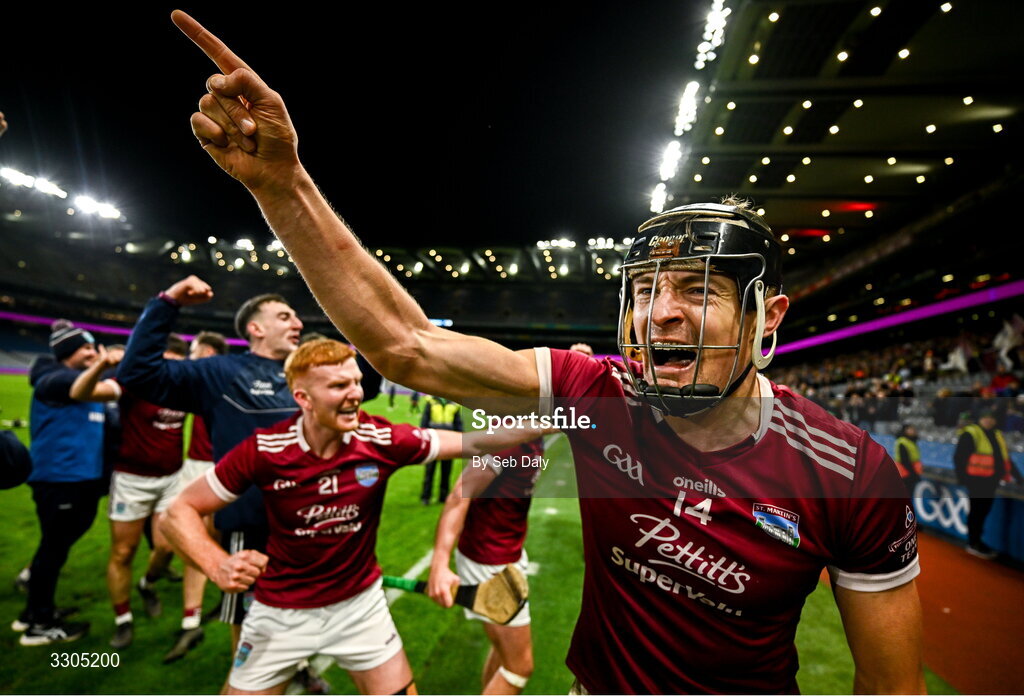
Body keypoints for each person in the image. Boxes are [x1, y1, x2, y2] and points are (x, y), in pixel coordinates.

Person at [170, 12, 925, 692]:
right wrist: (281, 184)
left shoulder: (849, 472)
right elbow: (407, 346)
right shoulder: (598, 392)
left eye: (696, 290)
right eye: (643, 290)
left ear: (768, 315)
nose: (659, 313)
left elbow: (891, 688)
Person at [161, 339, 543, 695]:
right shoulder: (266, 450)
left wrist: (562, 415)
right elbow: (178, 511)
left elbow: (476, 442)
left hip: (360, 609)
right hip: (280, 611)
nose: (356, 395)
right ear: (303, 398)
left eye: (357, 382)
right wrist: (217, 564)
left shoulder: (380, 440)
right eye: (339, 386)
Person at [117, 279, 302, 658]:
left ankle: (300, 665)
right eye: (285, 316)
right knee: (251, 619)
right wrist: (166, 303)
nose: (297, 323)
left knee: (306, 607)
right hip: (254, 524)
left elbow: (366, 382)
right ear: (256, 328)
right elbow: (137, 373)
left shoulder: (308, 373)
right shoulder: (221, 372)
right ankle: (245, 679)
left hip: (313, 517)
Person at [71, 336, 189, 648]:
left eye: (179, 365)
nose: (172, 371)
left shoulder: (185, 388)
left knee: (167, 548)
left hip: (171, 479)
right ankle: (123, 619)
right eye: (167, 363)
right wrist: (100, 365)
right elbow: (80, 392)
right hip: (132, 480)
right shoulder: (133, 384)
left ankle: (147, 584)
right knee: (124, 551)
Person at [427, 437, 545, 694]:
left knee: (507, 654)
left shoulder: (534, 432)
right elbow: (460, 493)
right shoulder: (509, 437)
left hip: (507, 552)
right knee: (519, 667)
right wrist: (439, 564)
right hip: (490, 560)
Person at [16, 320, 104, 645]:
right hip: (60, 478)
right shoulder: (54, 380)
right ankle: (40, 624)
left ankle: (36, 610)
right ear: (68, 353)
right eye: (86, 348)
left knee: (56, 547)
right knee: (53, 549)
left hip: (79, 478)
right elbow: (79, 383)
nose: (93, 354)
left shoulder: (80, 380)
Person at [163, 329, 228, 662]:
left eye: (194, 351)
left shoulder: (231, 376)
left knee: (226, 540)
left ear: (207, 352)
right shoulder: (197, 379)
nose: (190, 356)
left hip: (229, 466)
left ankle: (221, 606)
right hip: (199, 465)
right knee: (195, 541)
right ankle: (191, 620)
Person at [953, 411, 1020, 559]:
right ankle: (974, 542)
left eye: (991, 418)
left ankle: (977, 541)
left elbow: (1005, 458)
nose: (988, 421)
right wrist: (964, 479)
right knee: (977, 510)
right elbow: (959, 457)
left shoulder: (997, 434)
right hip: (976, 481)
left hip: (991, 481)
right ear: (980, 418)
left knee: (982, 510)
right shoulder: (971, 433)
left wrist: (1019, 478)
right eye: (985, 417)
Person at [419, 395, 462, 504]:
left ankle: (443, 497)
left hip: (449, 442)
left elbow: (458, 423)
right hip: (433, 441)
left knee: (446, 471)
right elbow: (424, 421)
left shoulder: (454, 404)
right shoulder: (431, 402)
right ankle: (426, 497)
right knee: (429, 471)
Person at [894, 424, 924, 495]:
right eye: (910, 429)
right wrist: (914, 474)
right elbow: (905, 461)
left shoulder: (911, 441)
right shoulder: (902, 442)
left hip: (909, 472)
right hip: (905, 473)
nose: (913, 431)